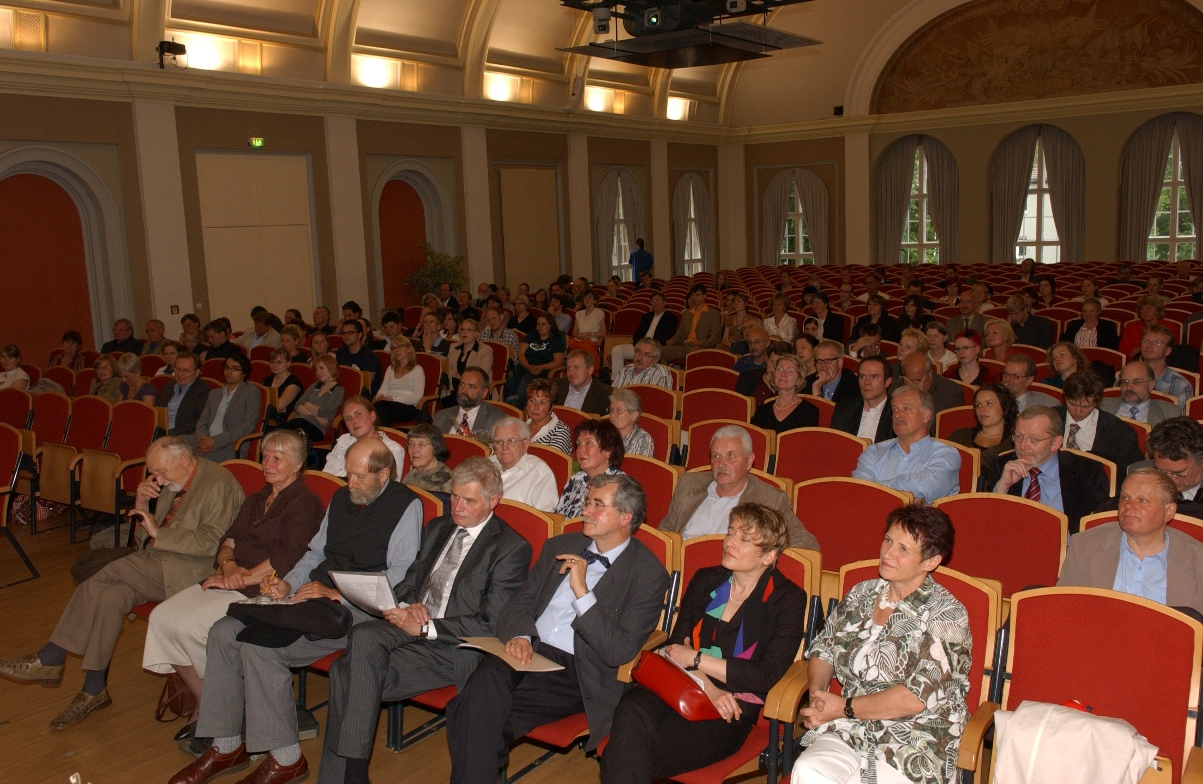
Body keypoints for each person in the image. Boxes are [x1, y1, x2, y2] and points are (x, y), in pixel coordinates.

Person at [167, 439, 422, 784]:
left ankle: (286, 759)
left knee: (260, 647)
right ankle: (226, 745)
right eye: (348, 474)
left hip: (361, 610)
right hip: (313, 595)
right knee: (223, 631)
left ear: (384, 474)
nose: (351, 483)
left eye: (359, 477)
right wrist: (288, 583)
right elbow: (315, 554)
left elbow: (399, 576)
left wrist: (337, 594)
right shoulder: (342, 498)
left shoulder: (406, 505)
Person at [314, 456, 532, 784]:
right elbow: (410, 582)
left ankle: (346, 777)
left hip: (454, 645)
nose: (457, 507)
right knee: (364, 636)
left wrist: (427, 627)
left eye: (469, 501)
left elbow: (490, 623)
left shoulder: (510, 547)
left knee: (345, 673)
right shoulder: (438, 528)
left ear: (493, 501)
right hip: (411, 624)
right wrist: (406, 605)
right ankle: (354, 775)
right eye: (454, 496)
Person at [0, 437, 244, 729]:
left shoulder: (218, 483)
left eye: (161, 471)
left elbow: (212, 543)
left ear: (183, 459)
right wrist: (142, 505)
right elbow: (143, 540)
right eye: (154, 473)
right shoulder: (175, 482)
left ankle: (52, 655)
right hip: (157, 563)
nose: (158, 479)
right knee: (109, 596)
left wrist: (158, 532)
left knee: (107, 571)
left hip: (191, 572)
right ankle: (94, 689)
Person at [445, 472, 669, 783]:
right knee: (484, 686)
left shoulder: (648, 575)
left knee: (468, 714)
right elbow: (520, 602)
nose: (585, 510)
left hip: (576, 670)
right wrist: (521, 635)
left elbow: (619, 651)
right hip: (527, 648)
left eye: (597, 505)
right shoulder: (561, 545)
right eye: (587, 502)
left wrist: (583, 593)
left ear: (625, 517)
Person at [602, 503, 806, 784]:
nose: (730, 542)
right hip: (678, 682)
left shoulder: (787, 600)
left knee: (629, 752)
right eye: (730, 532)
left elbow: (764, 676)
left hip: (730, 708)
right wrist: (707, 685)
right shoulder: (705, 580)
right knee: (632, 709)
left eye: (744, 539)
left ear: (768, 556)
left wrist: (696, 658)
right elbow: (676, 648)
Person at [141, 430, 323, 740]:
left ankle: (220, 703)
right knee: (162, 618)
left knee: (187, 626)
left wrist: (241, 577)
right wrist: (228, 566)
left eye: (277, 459)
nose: (268, 464)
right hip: (232, 579)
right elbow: (227, 542)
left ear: (297, 465)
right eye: (265, 456)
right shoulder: (256, 499)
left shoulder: (305, 504)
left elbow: (286, 558)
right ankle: (207, 698)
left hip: (267, 588)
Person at [791, 505, 970, 784]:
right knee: (808, 770)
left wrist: (841, 707)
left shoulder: (947, 614)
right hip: (850, 727)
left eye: (903, 549)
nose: (887, 553)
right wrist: (818, 697)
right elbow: (824, 649)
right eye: (888, 540)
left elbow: (915, 697)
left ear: (931, 561)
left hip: (916, 738)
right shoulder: (861, 593)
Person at [1058, 468, 1203, 616]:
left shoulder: (1197, 560)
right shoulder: (1085, 546)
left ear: (1169, 512)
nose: (1128, 506)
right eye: (1125, 498)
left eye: (1142, 500)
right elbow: (1063, 610)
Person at [660, 425, 818, 547]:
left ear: (749, 461)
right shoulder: (688, 485)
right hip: (680, 569)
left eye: (730, 456)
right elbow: (664, 533)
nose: (721, 463)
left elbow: (806, 543)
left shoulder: (770, 499)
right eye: (716, 456)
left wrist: (761, 558)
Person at [987, 405, 1110, 534]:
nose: (1022, 446)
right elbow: (988, 526)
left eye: (1034, 439)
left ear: (1056, 443)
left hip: (1067, 545)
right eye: (1019, 436)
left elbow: (1097, 528)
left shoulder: (1087, 471)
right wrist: (1002, 488)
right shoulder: (1002, 466)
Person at [852, 386, 961, 503]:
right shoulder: (873, 453)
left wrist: (876, 487)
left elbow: (926, 487)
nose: (897, 415)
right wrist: (909, 496)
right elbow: (860, 492)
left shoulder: (947, 455)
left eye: (906, 409)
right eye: (895, 409)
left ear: (926, 415)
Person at [1054, 370, 1143, 481]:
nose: (1077, 412)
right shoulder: (1048, 418)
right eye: (1072, 404)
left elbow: (1134, 473)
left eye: (1086, 407)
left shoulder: (1119, 432)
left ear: (1096, 402)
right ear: (1065, 397)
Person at [182, 353, 261, 463]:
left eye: (235, 369)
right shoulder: (214, 393)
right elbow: (202, 422)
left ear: (244, 373)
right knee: (173, 444)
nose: (229, 372)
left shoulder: (251, 392)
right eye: (226, 368)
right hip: (203, 440)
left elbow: (248, 426)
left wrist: (214, 441)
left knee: (193, 460)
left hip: (229, 445)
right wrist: (203, 439)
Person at [554, 419, 624, 518]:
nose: (580, 450)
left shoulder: (618, 486)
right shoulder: (576, 479)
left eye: (588, 443)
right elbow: (558, 517)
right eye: (579, 444)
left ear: (608, 450)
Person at [322, 397, 407, 478]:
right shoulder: (343, 442)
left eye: (358, 414)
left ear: (372, 416)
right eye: (348, 418)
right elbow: (326, 477)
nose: (353, 421)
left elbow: (388, 485)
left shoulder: (393, 449)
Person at [947, 383, 1017, 478]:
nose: (982, 409)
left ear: (1005, 408)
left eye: (989, 403)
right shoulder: (959, 437)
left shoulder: (1015, 443)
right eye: (978, 405)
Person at [489, 417, 559, 512]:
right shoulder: (485, 466)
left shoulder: (540, 473)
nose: (504, 447)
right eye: (499, 442)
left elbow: (545, 517)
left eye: (511, 441)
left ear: (525, 444)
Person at [504, 314, 567, 406]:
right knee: (509, 382)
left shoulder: (557, 339)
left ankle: (520, 409)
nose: (540, 327)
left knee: (523, 385)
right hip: (525, 366)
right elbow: (520, 354)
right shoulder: (531, 335)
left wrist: (542, 367)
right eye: (538, 324)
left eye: (543, 324)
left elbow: (558, 362)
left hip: (543, 370)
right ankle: (510, 406)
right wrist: (527, 366)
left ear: (551, 325)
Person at [282, 354, 345, 443]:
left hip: (317, 427)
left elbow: (324, 412)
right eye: (316, 369)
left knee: (287, 434)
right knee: (279, 433)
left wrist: (307, 404)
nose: (318, 372)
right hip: (301, 421)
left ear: (331, 367)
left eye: (321, 368)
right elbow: (297, 405)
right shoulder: (315, 385)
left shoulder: (338, 390)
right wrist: (315, 416)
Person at [832, 356, 894, 444]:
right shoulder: (843, 409)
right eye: (862, 377)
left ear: (887, 382)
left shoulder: (896, 411)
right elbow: (836, 445)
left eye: (874, 377)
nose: (867, 382)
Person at [752, 354, 820, 434]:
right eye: (779, 369)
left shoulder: (809, 412)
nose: (783, 374)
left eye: (790, 371)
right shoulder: (762, 411)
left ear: (798, 380)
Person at [434, 366, 506, 440]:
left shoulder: (497, 420)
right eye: (461, 384)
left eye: (471, 387)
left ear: (484, 392)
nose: (463, 390)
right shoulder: (441, 416)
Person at [1101, 360, 1182, 425]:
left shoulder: (1170, 414)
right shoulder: (1101, 407)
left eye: (1136, 382)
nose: (1129, 388)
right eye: (1125, 382)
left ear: (1151, 385)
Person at [662, 283, 723, 363]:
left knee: (693, 355)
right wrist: (672, 341)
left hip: (700, 347)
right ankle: (666, 371)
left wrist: (702, 343)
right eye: (693, 295)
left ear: (705, 295)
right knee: (660, 352)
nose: (695, 298)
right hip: (684, 345)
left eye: (698, 295)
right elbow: (680, 331)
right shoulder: (687, 313)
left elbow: (715, 336)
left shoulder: (713, 314)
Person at [373, 336, 426, 426]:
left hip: (408, 407)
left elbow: (418, 397)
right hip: (387, 404)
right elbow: (381, 391)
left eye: (400, 347)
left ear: (409, 349)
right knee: (376, 408)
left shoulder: (417, 369)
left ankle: (382, 432)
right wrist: (380, 397)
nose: (396, 351)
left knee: (380, 408)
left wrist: (394, 399)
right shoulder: (390, 368)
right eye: (393, 348)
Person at [442, 319, 494, 409]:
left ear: (476, 334)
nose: (464, 332)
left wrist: (459, 377)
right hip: (454, 385)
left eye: (469, 330)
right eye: (462, 329)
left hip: (474, 387)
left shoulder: (485, 350)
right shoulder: (453, 347)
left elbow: (481, 376)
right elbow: (448, 366)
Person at [1140, 324, 1191, 410]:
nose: (1149, 345)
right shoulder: (1126, 377)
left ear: (1168, 351)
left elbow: (1182, 418)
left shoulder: (1181, 385)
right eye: (1145, 341)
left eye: (1157, 342)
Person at [156, 353, 208, 437]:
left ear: (197, 372)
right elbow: (157, 410)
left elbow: (198, 421)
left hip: (180, 435)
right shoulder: (169, 386)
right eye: (177, 369)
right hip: (160, 431)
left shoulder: (202, 390)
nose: (180, 374)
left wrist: (168, 434)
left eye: (185, 370)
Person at [518, 377, 572, 455]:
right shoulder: (519, 427)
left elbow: (553, 460)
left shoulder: (560, 431)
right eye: (532, 401)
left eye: (542, 403)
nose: (536, 407)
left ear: (551, 407)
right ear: (526, 405)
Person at [554, 350, 612, 416]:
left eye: (576, 367)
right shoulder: (556, 386)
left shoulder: (604, 394)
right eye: (569, 368)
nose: (571, 373)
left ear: (590, 370)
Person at [401, 423, 453, 493]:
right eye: (411, 444)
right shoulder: (411, 475)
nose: (414, 450)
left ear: (435, 448)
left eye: (421, 444)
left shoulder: (447, 481)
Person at [335, 319, 382, 396]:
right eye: (343, 333)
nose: (346, 336)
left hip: (363, 396)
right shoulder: (340, 352)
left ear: (360, 334)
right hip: (344, 392)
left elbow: (365, 385)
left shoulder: (369, 357)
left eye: (350, 332)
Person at [261, 349, 303, 429]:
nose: (274, 365)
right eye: (272, 362)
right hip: (264, 418)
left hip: (282, 422)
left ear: (288, 363)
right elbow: (257, 400)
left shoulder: (293, 382)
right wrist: (272, 405)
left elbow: (279, 405)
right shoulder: (267, 380)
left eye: (279, 362)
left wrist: (268, 404)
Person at [609, 387, 654, 457]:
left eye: (619, 410)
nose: (612, 415)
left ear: (634, 415)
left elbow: (637, 464)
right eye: (611, 410)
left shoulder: (643, 439)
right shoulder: (605, 435)